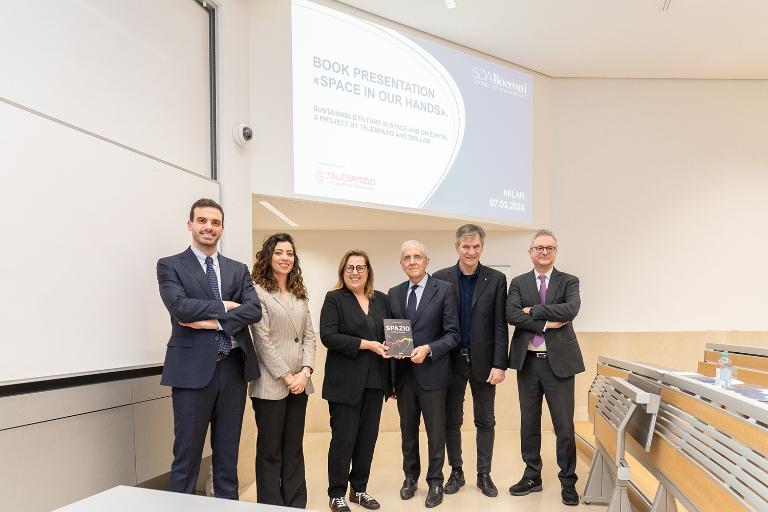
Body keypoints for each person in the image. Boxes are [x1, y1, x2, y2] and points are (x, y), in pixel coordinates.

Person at [157, 198, 262, 499]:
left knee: (227, 458)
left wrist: (214, 323)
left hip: (233, 369)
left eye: (215, 222)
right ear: (190, 224)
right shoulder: (170, 265)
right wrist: (225, 306)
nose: (209, 227)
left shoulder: (237, 269)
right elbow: (180, 307)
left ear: (222, 228)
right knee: (187, 458)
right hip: (191, 374)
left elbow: (254, 310)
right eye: (202, 221)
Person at [506, 229, 584, 507]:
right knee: (529, 424)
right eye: (539, 248)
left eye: (549, 248)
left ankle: (568, 480)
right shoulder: (518, 282)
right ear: (530, 252)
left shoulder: (569, 281)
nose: (544, 252)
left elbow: (571, 309)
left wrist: (534, 311)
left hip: (559, 365)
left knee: (564, 426)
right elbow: (511, 314)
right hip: (527, 363)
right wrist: (546, 321)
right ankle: (532, 476)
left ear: (555, 252)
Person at [432, 224, 508, 498]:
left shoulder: (496, 279)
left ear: (482, 248)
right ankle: (457, 471)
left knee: (485, 421)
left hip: (485, 364)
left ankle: (484, 474)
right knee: (451, 421)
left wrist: (500, 364)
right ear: (456, 248)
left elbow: (500, 325)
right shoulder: (440, 278)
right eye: (466, 247)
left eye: (476, 246)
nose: (471, 251)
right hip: (449, 362)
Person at [320, 250, 394, 512]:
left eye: (360, 268)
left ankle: (359, 490)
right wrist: (366, 344)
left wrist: (394, 377)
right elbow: (328, 336)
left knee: (367, 439)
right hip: (345, 384)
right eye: (350, 268)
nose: (355, 273)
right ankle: (336, 493)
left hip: (375, 383)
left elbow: (394, 338)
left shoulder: (381, 300)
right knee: (344, 439)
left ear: (368, 272)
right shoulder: (334, 299)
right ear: (343, 271)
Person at [388, 240, 459, 509]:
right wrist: (394, 352)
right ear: (402, 264)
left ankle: (436, 481)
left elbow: (453, 335)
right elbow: (394, 334)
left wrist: (429, 349)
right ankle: (410, 478)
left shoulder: (444, 290)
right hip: (404, 376)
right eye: (407, 257)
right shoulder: (394, 293)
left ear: (426, 261)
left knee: (435, 431)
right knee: (408, 432)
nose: (412, 261)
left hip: (433, 374)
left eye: (417, 257)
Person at [249, 233, 316, 508]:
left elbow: (310, 335)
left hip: (301, 382)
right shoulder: (257, 291)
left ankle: (296, 503)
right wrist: (288, 376)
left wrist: (306, 372)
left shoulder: (300, 292)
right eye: (279, 252)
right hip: (271, 383)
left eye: (289, 253)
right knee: (270, 451)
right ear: (269, 256)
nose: (285, 257)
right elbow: (261, 339)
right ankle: (271, 504)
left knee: (293, 448)